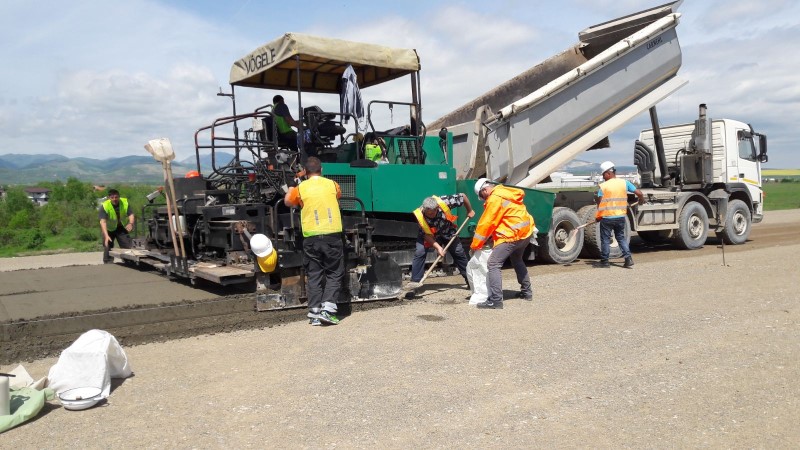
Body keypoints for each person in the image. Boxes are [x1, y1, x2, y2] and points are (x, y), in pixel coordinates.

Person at [284, 156, 344, 326]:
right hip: (332, 235)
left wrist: (292, 184)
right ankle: (328, 311)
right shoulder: (333, 184)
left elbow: (288, 201)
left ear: (305, 172)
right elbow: (337, 197)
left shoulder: (300, 188)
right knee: (334, 273)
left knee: (314, 275)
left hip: (311, 237)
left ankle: (315, 313)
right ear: (321, 170)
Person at [470, 178, 535, 309]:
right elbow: (503, 218)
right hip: (525, 233)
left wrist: (475, 245)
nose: (483, 199)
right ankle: (527, 292)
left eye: (482, 196)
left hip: (512, 235)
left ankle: (496, 301)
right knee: (517, 259)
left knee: (493, 263)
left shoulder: (494, 198)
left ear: (485, 190)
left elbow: (486, 224)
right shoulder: (505, 192)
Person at [411, 194, 475, 288]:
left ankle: (471, 281)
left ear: (437, 208)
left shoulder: (445, 202)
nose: (430, 215)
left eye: (432, 213)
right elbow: (426, 235)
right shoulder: (420, 215)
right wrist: (438, 248)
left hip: (448, 232)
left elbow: (463, 196)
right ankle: (415, 283)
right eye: (428, 213)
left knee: (458, 252)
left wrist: (469, 210)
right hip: (431, 236)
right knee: (420, 252)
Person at [594, 161, 645, 268]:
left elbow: (600, 204)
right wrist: (641, 199)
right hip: (621, 217)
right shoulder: (624, 183)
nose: (603, 177)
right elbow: (639, 193)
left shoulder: (603, 186)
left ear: (608, 173)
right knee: (621, 238)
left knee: (605, 239)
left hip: (607, 218)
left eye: (603, 174)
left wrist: (598, 217)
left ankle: (605, 262)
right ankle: (628, 259)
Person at [99, 188, 134, 264]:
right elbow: (103, 222)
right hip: (109, 229)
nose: (114, 199)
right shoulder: (105, 206)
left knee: (127, 245)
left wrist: (131, 223)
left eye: (116, 197)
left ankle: (129, 262)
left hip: (121, 227)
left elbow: (131, 214)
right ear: (109, 198)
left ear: (119, 197)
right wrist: (106, 236)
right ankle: (108, 263)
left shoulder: (124, 202)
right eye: (112, 197)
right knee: (108, 245)